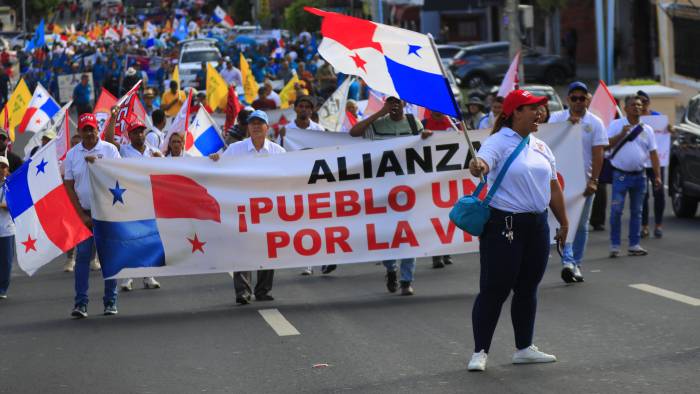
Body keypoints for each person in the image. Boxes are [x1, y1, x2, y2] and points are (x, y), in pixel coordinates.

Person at [466, 89, 569, 371]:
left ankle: (523, 348)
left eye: (541, 108)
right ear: (515, 112)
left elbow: (553, 187)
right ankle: (480, 352)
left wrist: (564, 222)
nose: (540, 113)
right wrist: (478, 166)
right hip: (505, 225)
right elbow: (483, 162)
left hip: (537, 226)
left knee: (527, 288)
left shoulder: (540, 146)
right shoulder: (498, 142)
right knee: (494, 289)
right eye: (533, 108)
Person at [350, 97, 433, 295]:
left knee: (408, 233)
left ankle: (406, 280)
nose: (395, 106)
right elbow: (354, 132)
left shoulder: (414, 123)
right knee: (387, 233)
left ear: (404, 104)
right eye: (391, 103)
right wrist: (380, 113)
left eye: (398, 103)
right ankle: (391, 268)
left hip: (408, 188)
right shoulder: (378, 124)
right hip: (382, 189)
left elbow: (425, 145)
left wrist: (426, 137)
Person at [209, 110, 284, 305]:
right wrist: (215, 159)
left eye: (260, 123)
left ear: (268, 127)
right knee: (242, 248)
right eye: (253, 123)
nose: (256, 126)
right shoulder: (235, 149)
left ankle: (263, 290)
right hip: (242, 207)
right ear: (247, 127)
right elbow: (219, 167)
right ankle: (242, 292)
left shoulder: (278, 152)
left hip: (269, 209)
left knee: (268, 248)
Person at [548, 82, 608, 283]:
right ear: (568, 100)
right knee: (564, 223)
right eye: (574, 98)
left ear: (587, 100)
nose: (578, 102)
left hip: (583, 183)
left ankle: (576, 264)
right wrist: (566, 126)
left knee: (580, 225)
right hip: (561, 182)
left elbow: (598, 154)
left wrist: (594, 180)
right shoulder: (556, 119)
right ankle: (568, 261)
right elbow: (545, 143)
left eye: (582, 98)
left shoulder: (595, 123)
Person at [64, 113, 121, 318]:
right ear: (79, 131)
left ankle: (110, 301)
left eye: (92, 128)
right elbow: (69, 186)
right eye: (85, 129)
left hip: (106, 213)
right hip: (84, 214)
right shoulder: (72, 154)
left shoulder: (109, 150)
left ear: (98, 129)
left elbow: (119, 177)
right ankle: (81, 303)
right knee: (83, 258)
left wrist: (97, 163)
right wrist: (81, 215)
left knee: (109, 258)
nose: (89, 133)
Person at [104, 108, 163, 290]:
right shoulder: (124, 150)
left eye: (141, 131)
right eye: (135, 132)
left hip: (149, 200)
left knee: (148, 238)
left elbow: (165, 168)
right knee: (130, 238)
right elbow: (108, 140)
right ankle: (128, 277)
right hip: (129, 199)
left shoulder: (153, 151)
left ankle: (148, 275)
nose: (139, 135)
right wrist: (113, 119)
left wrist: (161, 159)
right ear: (129, 135)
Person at [606, 95, 662, 258]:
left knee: (637, 211)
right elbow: (606, 144)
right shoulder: (616, 125)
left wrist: (657, 176)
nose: (637, 107)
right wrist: (621, 135)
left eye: (639, 105)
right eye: (633, 105)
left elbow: (653, 154)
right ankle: (615, 244)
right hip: (620, 176)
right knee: (616, 210)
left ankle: (634, 244)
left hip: (640, 176)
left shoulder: (647, 129)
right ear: (625, 108)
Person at [422, 110, 460, 269]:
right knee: (433, 217)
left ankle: (446, 250)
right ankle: (436, 254)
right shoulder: (423, 124)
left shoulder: (453, 124)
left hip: (450, 177)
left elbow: (465, 141)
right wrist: (421, 136)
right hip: (429, 178)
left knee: (449, 215)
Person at [638, 90, 667, 239]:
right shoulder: (634, 119)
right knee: (643, 195)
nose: (642, 105)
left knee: (659, 193)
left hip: (657, 162)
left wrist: (670, 130)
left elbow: (665, 134)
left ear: (649, 103)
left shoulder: (657, 118)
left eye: (645, 101)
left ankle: (658, 225)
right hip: (641, 163)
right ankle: (644, 226)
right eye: (639, 102)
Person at [0, 156, 14, 299]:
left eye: (3, 167)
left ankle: (2, 289)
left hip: (6, 230)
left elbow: (12, 205)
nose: (1, 169)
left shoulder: (11, 185)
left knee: (6, 261)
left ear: (7, 170)